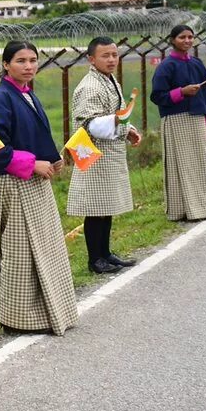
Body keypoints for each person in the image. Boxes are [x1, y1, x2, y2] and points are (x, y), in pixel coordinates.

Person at [0, 41, 78, 335]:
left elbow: (33, 136)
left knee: (45, 246)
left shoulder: (26, 94)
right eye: (21, 60)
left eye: (33, 60)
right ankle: (18, 318)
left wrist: (52, 158)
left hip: (35, 181)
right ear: (6, 64)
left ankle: (46, 312)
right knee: (20, 249)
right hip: (14, 181)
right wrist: (32, 164)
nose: (29, 66)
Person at [66, 37, 142, 274]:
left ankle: (106, 253)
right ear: (91, 59)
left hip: (110, 152)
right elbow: (88, 124)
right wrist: (117, 122)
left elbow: (113, 116)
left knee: (105, 206)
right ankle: (95, 259)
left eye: (114, 55)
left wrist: (126, 130)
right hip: (94, 154)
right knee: (95, 209)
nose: (111, 60)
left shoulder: (109, 81)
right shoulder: (90, 86)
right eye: (105, 56)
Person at [151, 25, 206, 221]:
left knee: (199, 163)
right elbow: (157, 96)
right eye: (182, 37)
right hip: (176, 119)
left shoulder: (197, 63)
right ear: (172, 40)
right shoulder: (166, 66)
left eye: (190, 37)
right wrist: (181, 92)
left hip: (197, 119)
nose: (187, 41)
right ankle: (180, 210)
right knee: (178, 164)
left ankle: (200, 208)